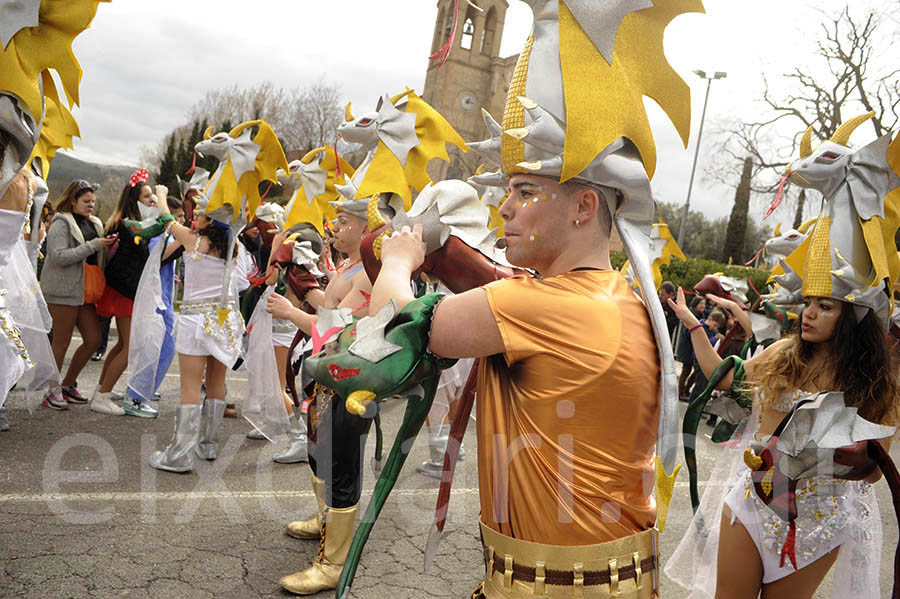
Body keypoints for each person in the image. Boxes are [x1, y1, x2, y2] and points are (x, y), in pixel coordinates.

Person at [148, 186, 245, 472]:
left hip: (194, 321)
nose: (195, 217)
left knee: (189, 387)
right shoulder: (233, 246)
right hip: (223, 321)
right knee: (216, 383)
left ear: (211, 221)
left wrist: (162, 197)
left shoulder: (194, 241)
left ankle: (179, 455)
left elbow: (167, 221)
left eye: (201, 214)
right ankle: (208, 445)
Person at [91, 169, 163, 416]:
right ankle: (101, 396)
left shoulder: (133, 223)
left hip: (125, 288)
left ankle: (102, 389)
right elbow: (156, 228)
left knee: (123, 343)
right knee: (131, 345)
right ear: (135, 201)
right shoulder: (130, 225)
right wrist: (165, 212)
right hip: (124, 290)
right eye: (147, 197)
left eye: (153, 196)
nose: (152, 201)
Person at [40, 179, 115, 409]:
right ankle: (50, 391)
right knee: (60, 343)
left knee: (94, 339)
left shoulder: (94, 222)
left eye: (93, 201)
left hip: (85, 291)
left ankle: (67, 384)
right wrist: (93, 245)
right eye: (86, 201)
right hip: (63, 291)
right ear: (72, 201)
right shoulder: (61, 222)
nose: (91, 205)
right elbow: (58, 256)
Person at [675, 295, 706, 400]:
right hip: (687, 347)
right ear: (695, 304)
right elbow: (686, 331)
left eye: (704, 304)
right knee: (686, 370)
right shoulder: (690, 314)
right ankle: (680, 392)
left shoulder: (702, 315)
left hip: (695, 347)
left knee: (695, 371)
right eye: (701, 303)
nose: (703, 306)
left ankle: (686, 389)